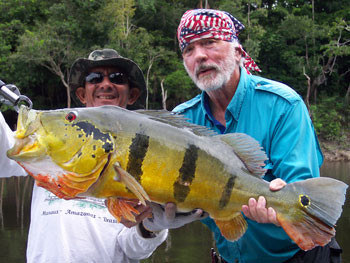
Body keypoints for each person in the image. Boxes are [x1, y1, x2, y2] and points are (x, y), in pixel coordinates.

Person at [0, 49, 204, 263]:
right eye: (94, 78)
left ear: (132, 95)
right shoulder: (47, 147)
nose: (105, 84)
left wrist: (152, 227)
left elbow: (132, 250)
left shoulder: (150, 152)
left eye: (117, 78)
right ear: (81, 94)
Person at [171, 9, 342, 263]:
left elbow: (305, 191)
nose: (199, 56)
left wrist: (283, 198)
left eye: (209, 42)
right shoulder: (180, 122)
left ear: (238, 52)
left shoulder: (283, 105)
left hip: (299, 256)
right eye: (189, 50)